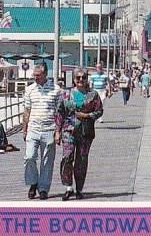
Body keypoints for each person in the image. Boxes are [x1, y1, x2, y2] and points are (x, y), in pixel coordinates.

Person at [55, 68, 103, 201]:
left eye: (83, 77)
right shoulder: (66, 94)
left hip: (85, 132)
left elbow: (99, 111)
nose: (81, 80)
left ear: (87, 79)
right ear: (74, 79)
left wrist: (88, 115)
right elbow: (59, 113)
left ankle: (79, 189)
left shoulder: (93, 94)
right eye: (78, 78)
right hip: (68, 130)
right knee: (67, 157)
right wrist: (57, 132)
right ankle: (68, 187)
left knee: (81, 161)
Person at [22, 65, 62, 200]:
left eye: (38, 75)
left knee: (47, 161)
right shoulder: (29, 90)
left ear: (45, 74)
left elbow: (59, 113)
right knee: (29, 157)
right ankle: (33, 182)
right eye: (34, 75)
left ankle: (44, 188)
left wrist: (58, 131)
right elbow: (27, 110)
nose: (35, 78)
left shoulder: (56, 90)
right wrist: (24, 129)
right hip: (33, 127)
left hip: (49, 128)